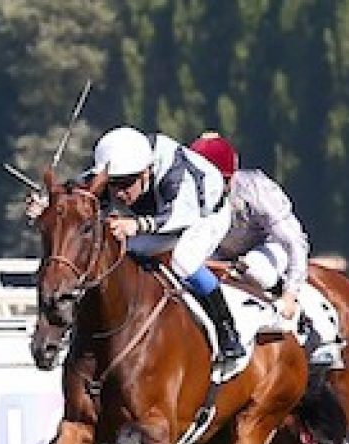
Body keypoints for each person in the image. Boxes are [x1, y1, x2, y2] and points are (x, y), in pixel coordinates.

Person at [90, 124, 245, 371]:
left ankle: (227, 333)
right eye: (113, 184)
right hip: (165, 218)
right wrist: (46, 205)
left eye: (126, 184)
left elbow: (180, 217)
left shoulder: (174, 173)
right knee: (117, 250)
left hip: (204, 217)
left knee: (184, 260)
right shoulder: (127, 159)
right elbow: (80, 192)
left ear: (146, 172)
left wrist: (138, 224)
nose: (119, 194)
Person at [185, 131, 310, 321]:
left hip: (267, 248)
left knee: (255, 270)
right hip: (221, 253)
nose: (215, 188)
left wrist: (290, 294)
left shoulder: (256, 189)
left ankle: (298, 312)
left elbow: (294, 241)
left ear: (234, 173)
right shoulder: (184, 194)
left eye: (223, 180)